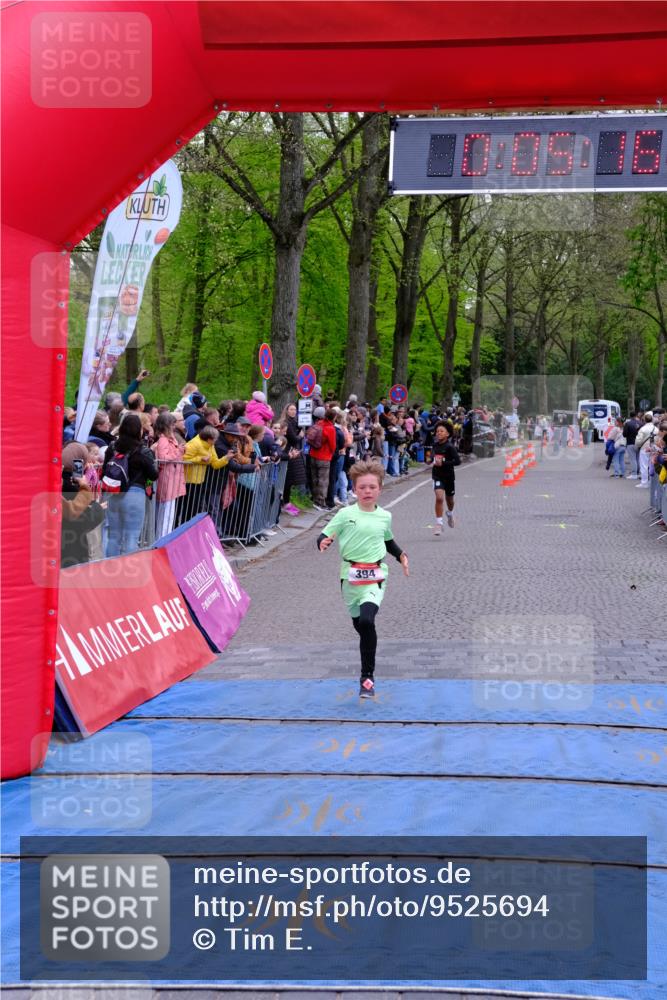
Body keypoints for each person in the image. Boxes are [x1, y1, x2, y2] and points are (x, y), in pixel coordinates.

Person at [317, 458, 409, 698]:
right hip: (349, 576)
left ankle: (367, 677)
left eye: (372, 487)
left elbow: (387, 540)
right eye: (362, 487)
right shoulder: (345, 514)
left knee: (368, 622)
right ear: (354, 489)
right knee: (360, 625)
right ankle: (367, 654)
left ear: (380, 488)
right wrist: (323, 542)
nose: (367, 491)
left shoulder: (385, 516)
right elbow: (325, 534)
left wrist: (401, 556)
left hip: (376, 575)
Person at [102, 414, 158, 557]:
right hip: (135, 495)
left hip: (114, 495)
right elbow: (153, 475)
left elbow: (104, 470)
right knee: (131, 538)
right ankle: (127, 574)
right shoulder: (143, 451)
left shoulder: (113, 447)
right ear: (138, 430)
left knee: (114, 538)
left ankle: (109, 571)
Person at [61, 443, 106, 568]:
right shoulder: (71, 486)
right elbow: (80, 519)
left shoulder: (57, 480)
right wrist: (98, 509)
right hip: (71, 549)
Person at [152, 412, 186, 538]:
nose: (174, 427)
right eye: (172, 424)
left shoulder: (170, 439)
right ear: (166, 425)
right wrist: (179, 451)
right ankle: (162, 538)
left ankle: (165, 537)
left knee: (169, 512)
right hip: (168, 479)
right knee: (165, 512)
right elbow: (163, 458)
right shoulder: (163, 440)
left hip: (173, 479)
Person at [428, 420, 461, 535]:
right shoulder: (434, 446)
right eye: (437, 431)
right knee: (439, 498)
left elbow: (457, 461)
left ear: (447, 434)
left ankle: (450, 513)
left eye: (441, 431)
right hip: (437, 476)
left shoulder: (450, 447)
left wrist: (444, 461)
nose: (439, 433)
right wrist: (429, 460)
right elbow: (431, 457)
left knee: (450, 500)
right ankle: (439, 523)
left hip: (449, 477)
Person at [307, 406, 337, 510]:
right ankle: (321, 502)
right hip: (324, 457)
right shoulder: (330, 428)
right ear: (333, 418)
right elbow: (333, 445)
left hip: (313, 454)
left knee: (314, 478)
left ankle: (314, 499)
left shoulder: (318, 424)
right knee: (323, 480)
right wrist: (332, 453)